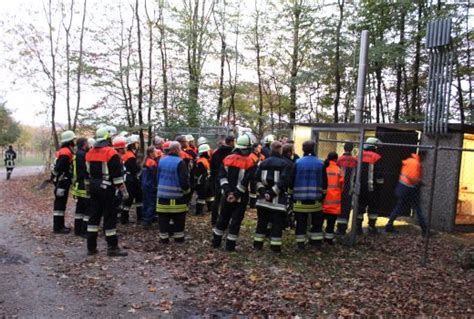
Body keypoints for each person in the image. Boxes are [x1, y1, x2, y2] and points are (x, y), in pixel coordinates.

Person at [86, 126, 128, 256]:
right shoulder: (111, 153)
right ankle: (112, 247)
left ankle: (91, 247)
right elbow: (117, 176)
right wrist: (123, 191)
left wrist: (88, 188)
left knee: (94, 217)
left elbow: (86, 174)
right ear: (108, 138)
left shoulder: (90, 152)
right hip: (107, 189)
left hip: (93, 188)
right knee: (109, 217)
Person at [212, 133, 256, 251]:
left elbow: (221, 177)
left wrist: (227, 193)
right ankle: (230, 246)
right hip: (240, 197)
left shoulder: (227, 158)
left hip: (226, 196)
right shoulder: (250, 161)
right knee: (235, 221)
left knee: (223, 218)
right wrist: (236, 194)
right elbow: (246, 181)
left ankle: (216, 242)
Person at [253, 141, 293, 253]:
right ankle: (275, 247)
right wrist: (272, 193)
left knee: (261, 223)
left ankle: (257, 244)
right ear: (280, 150)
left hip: (262, 201)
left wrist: (263, 192)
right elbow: (284, 182)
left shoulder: (262, 163)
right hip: (278, 202)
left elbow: (256, 179)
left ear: (270, 149)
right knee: (277, 225)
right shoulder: (285, 164)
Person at [289, 140, 328, 250]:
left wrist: (291, 196)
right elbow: (325, 183)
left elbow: (291, 182)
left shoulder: (297, 162)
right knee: (316, 224)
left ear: (303, 149)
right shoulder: (321, 163)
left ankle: (300, 245)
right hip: (316, 202)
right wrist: (323, 197)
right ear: (314, 149)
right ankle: (316, 244)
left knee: (300, 224)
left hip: (299, 201)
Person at [156, 141, 191, 243]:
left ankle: (163, 238)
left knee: (163, 219)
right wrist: (187, 192)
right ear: (178, 150)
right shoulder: (180, 162)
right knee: (179, 220)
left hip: (162, 196)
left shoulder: (161, 161)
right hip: (177, 197)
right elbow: (184, 181)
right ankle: (178, 238)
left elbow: (157, 177)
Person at [385, 151, 428, 236]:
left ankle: (389, 224)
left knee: (399, 205)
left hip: (402, 186)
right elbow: (413, 178)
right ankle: (424, 230)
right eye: (425, 156)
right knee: (418, 208)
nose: (425, 159)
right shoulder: (416, 164)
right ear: (422, 156)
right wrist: (419, 182)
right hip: (410, 188)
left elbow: (407, 175)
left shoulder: (409, 160)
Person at [357, 137, 384, 235]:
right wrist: (380, 187)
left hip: (359, 187)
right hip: (372, 189)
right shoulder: (377, 157)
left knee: (360, 207)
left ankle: (358, 228)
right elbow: (379, 174)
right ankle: (372, 228)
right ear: (374, 147)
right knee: (373, 208)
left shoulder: (359, 155)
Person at [52, 130, 76, 234]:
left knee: (61, 203)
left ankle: (60, 226)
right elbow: (58, 167)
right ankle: (58, 227)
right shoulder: (66, 152)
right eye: (73, 139)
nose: (74, 141)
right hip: (62, 182)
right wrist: (56, 177)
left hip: (62, 181)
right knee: (60, 204)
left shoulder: (63, 150)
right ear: (70, 141)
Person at [209, 136, 235, 226]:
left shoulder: (216, 152)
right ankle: (225, 220)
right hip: (227, 179)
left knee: (217, 199)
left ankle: (214, 219)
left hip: (216, 178)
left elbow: (212, 165)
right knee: (227, 198)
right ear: (231, 142)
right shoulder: (232, 153)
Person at [322, 152, 344, 245]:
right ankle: (329, 240)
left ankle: (316, 239)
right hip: (334, 202)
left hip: (322, 201)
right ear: (336, 159)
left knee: (318, 223)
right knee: (331, 224)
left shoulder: (323, 168)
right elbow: (342, 185)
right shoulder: (339, 170)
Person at [336, 142, 357, 235]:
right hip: (350, 188)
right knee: (346, 207)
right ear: (352, 149)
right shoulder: (355, 161)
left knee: (339, 207)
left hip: (339, 187)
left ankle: (338, 227)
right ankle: (343, 228)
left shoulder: (339, 160)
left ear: (344, 148)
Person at [121, 135, 143, 224]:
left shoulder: (128, 154)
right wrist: (139, 166)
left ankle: (125, 218)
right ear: (132, 144)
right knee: (132, 199)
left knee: (133, 199)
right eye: (136, 143)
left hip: (130, 179)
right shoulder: (130, 156)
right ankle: (126, 218)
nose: (138, 145)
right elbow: (135, 169)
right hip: (131, 180)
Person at [71, 137, 90, 236]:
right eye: (87, 143)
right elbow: (87, 169)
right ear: (84, 144)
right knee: (87, 208)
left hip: (78, 184)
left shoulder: (76, 154)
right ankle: (84, 230)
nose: (88, 144)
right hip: (83, 185)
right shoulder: (83, 154)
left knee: (79, 208)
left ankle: (77, 230)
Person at [194, 144, 214, 215]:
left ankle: (210, 208)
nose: (209, 152)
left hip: (207, 180)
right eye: (208, 151)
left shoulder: (205, 160)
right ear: (205, 152)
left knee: (210, 195)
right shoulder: (201, 161)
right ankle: (199, 211)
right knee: (202, 196)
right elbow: (199, 173)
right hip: (203, 181)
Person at [142, 146, 158, 229]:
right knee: (152, 204)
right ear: (151, 153)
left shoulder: (146, 161)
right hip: (150, 185)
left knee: (146, 203)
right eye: (155, 152)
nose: (157, 153)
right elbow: (155, 176)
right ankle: (147, 221)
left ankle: (145, 218)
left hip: (145, 185)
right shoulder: (152, 162)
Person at [248, 143, 265, 208]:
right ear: (255, 148)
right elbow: (253, 164)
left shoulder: (261, 155)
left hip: (259, 175)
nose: (260, 149)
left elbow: (264, 160)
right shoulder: (251, 156)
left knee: (258, 189)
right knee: (253, 190)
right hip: (253, 174)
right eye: (259, 147)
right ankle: (252, 204)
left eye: (260, 148)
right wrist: (258, 161)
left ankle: (257, 202)